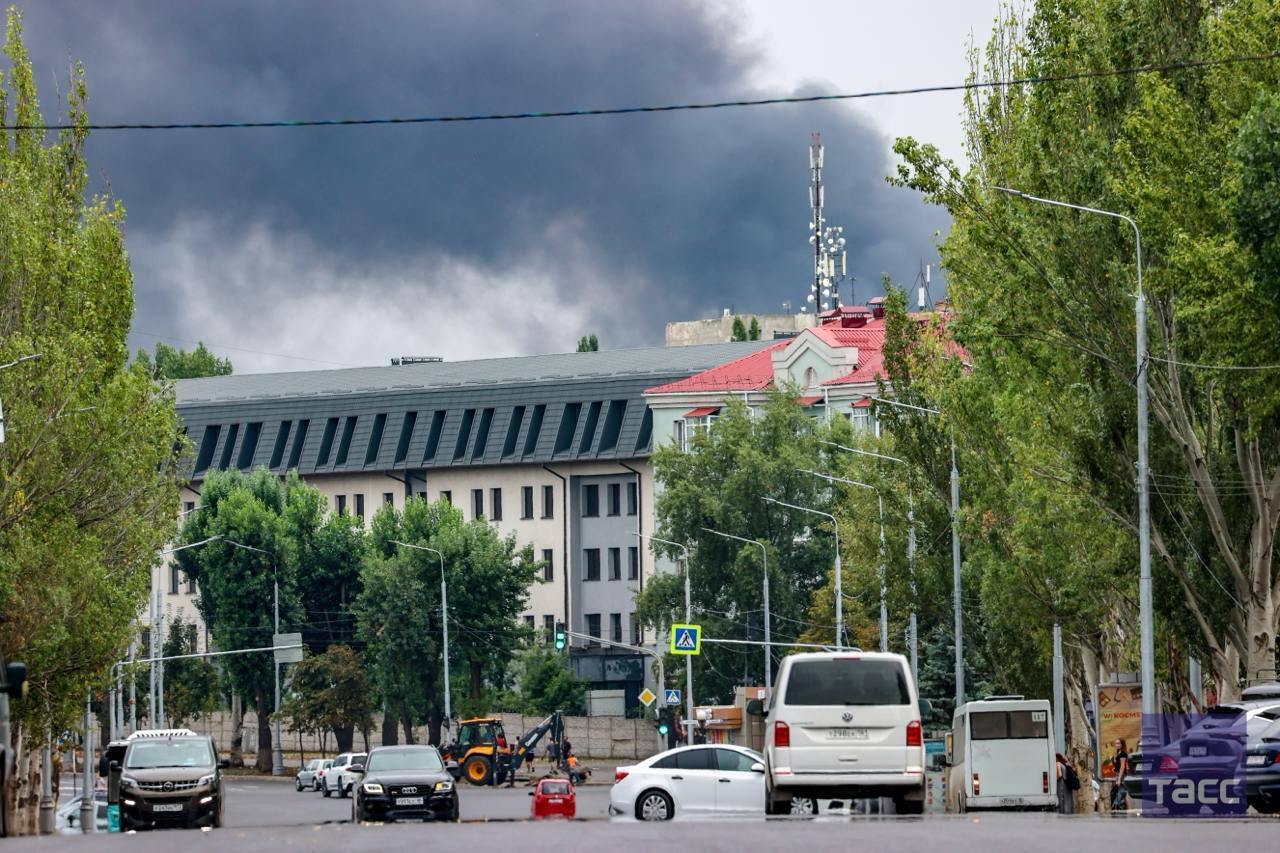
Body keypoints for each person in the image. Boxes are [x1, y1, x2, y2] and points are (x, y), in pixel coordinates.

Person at [1109, 738, 1130, 812]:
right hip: (1118, 775)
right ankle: (1120, 810)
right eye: (1116, 743)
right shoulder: (1119, 753)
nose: (1117, 745)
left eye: (1119, 743)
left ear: (1122, 744)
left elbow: (1122, 767)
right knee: (1117, 793)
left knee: (1121, 793)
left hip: (1122, 775)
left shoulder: (1123, 754)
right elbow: (1117, 766)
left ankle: (1120, 811)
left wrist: (1119, 779)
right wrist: (1112, 760)